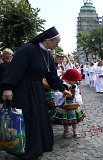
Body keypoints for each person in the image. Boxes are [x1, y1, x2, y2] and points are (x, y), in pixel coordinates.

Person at [0, 27, 72, 159]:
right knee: (27, 119)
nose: (58, 44)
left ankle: (38, 147)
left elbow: (52, 77)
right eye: (57, 41)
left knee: (38, 118)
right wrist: (8, 87)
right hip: (23, 89)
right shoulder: (27, 49)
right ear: (47, 40)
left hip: (37, 90)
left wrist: (62, 88)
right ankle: (24, 149)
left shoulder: (48, 56)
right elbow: (15, 69)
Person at [53, 69, 85, 139]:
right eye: (75, 80)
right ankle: (66, 131)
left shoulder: (74, 86)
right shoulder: (62, 85)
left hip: (73, 104)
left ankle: (75, 130)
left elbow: (77, 94)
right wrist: (63, 95)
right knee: (65, 119)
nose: (76, 82)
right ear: (70, 79)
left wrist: (78, 101)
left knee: (74, 119)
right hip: (64, 104)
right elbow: (57, 94)